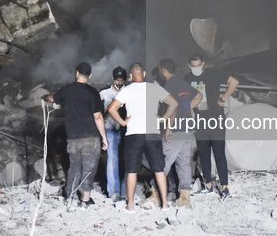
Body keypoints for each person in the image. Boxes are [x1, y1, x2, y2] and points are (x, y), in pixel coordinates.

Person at [108, 62, 179, 213]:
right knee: (159, 170)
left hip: (134, 134)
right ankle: (165, 204)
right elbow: (174, 103)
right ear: (144, 74)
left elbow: (111, 108)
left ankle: (130, 206)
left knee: (132, 171)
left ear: (131, 76)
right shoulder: (155, 88)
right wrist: (163, 118)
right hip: (152, 133)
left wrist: (123, 122)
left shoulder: (126, 90)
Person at [42, 62, 108, 211]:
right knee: (89, 169)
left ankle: (69, 199)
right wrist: (104, 137)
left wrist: (45, 97)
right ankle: (85, 201)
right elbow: (98, 117)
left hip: (73, 138)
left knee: (74, 168)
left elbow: (53, 98)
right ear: (89, 76)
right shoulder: (93, 93)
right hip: (91, 137)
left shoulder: (67, 90)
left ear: (76, 73)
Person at [184, 53, 239, 200]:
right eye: (193, 66)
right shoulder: (187, 78)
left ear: (203, 63)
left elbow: (234, 82)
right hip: (200, 120)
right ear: (189, 65)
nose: (196, 68)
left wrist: (222, 99)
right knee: (204, 154)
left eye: (199, 65)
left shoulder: (213, 74)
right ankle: (207, 185)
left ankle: (225, 188)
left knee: (219, 154)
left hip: (215, 119)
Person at [158, 58, 203, 207]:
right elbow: (199, 96)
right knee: (184, 163)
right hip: (188, 128)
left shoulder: (169, 84)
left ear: (164, 70)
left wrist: (169, 127)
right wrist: (188, 108)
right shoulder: (183, 83)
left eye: (160, 70)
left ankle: (155, 195)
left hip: (176, 129)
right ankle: (185, 198)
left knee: (162, 162)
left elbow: (174, 105)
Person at [99, 66, 128, 202]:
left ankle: (125, 190)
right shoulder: (104, 93)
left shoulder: (129, 92)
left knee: (127, 161)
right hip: (110, 130)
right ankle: (114, 192)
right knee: (113, 159)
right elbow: (98, 114)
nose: (119, 83)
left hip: (126, 130)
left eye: (122, 80)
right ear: (113, 79)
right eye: (117, 80)